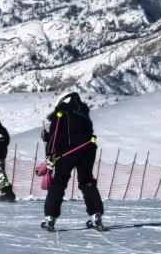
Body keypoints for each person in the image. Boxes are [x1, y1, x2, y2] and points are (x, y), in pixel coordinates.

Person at [40, 92, 104, 232]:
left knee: (59, 182)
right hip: (87, 150)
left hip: (66, 152)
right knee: (87, 181)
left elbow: (56, 134)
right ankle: (96, 215)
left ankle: (50, 217)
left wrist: (49, 153)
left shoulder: (62, 112)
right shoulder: (84, 113)